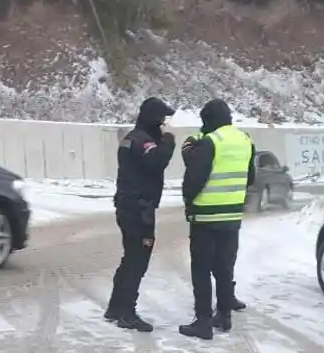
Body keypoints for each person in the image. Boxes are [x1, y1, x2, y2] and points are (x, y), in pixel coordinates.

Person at [178, 98, 255, 340]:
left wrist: (188, 202)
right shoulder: (246, 140)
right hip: (232, 216)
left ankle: (202, 321)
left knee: (201, 269)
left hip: (205, 217)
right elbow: (250, 178)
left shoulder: (211, 141)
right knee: (224, 268)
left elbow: (194, 179)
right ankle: (224, 315)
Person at [105, 97, 176, 332]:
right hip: (138, 209)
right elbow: (157, 161)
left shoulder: (132, 138)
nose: (165, 124)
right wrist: (169, 139)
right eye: (163, 120)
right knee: (138, 260)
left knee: (130, 258)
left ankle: (115, 308)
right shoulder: (142, 141)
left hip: (130, 206)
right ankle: (127, 312)